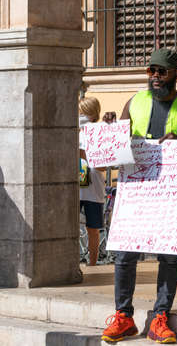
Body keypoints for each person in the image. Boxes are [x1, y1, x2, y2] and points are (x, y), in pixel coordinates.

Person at [101, 48, 177, 344]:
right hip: (136, 190)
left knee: (169, 255)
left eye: (161, 71)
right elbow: (117, 147)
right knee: (125, 255)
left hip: (169, 193)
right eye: (151, 70)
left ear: (176, 73)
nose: (154, 76)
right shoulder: (134, 101)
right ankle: (123, 317)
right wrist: (112, 128)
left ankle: (160, 316)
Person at [79, 97, 106, 266]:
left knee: (93, 228)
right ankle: (88, 262)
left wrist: (85, 154)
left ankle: (93, 262)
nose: (81, 115)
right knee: (90, 228)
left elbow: (103, 165)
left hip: (93, 186)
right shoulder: (74, 130)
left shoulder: (100, 132)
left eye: (83, 112)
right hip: (78, 185)